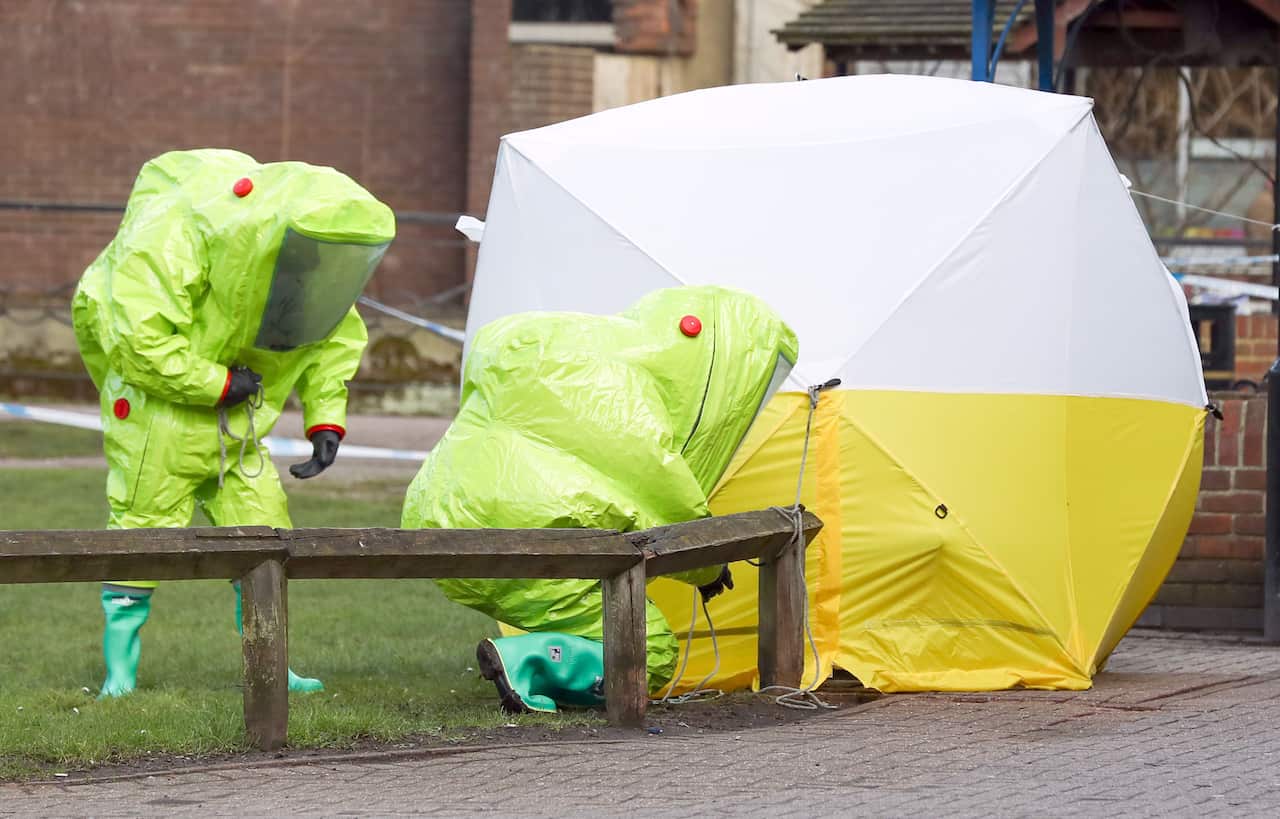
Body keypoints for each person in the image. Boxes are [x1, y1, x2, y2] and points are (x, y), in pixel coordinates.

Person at [71, 148, 395, 698]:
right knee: (140, 540)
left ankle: (272, 665)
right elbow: (139, 341)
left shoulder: (300, 259)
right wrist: (217, 384)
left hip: (240, 434)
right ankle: (119, 676)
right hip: (158, 426)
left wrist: (325, 421)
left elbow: (331, 336)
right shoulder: (176, 235)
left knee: (265, 538)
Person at [401, 285, 797, 712]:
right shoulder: (631, 399)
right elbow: (667, 508)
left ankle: (546, 671)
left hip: (436, 513)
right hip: (532, 528)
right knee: (649, 649)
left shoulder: (574, 351)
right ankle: (527, 662)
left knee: (591, 618)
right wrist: (709, 570)